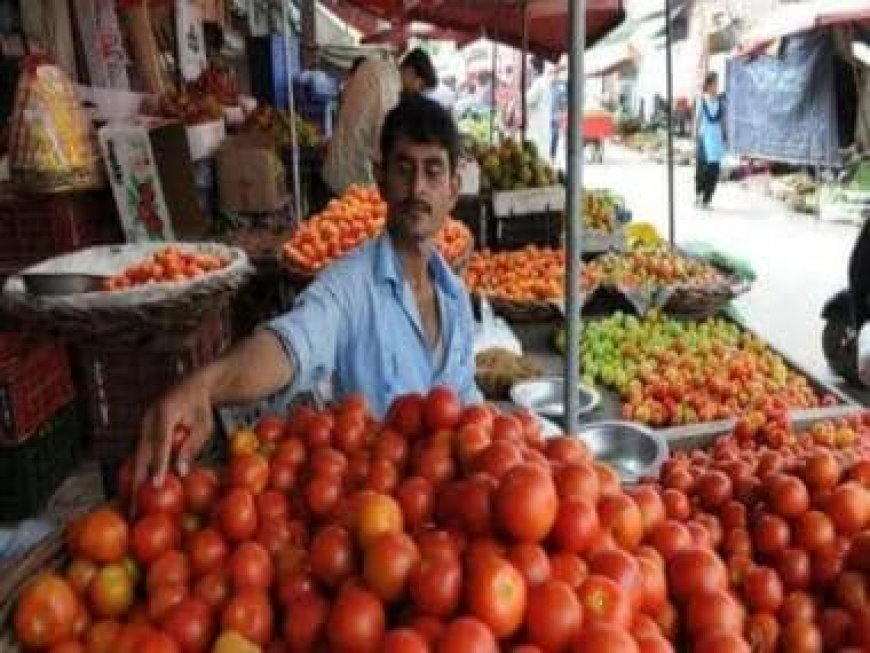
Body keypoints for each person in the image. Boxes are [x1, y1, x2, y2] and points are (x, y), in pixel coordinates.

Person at [134, 96, 481, 487]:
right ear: (381, 180)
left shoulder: (456, 299)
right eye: (404, 169)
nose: (417, 187)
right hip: (374, 509)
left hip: (450, 522)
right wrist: (206, 385)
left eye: (433, 171)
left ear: (453, 190)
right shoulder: (349, 285)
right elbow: (290, 344)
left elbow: (470, 411)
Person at [322, 56, 401, 196]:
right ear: (413, 73)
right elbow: (381, 141)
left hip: (337, 174)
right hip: (357, 184)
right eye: (421, 85)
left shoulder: (367, 72)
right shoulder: (384, 82)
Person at [694, 72, 727, 208]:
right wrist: (694, 136)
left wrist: (725, 136)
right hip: (704, 138)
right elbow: (697, 119)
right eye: (714, 83)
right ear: (707, 85)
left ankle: (707, 199)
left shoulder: (720, 101)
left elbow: (722, 121)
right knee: (702, 168)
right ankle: (699, 194)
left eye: (717, 83)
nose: (716, 86)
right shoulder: (701, 100)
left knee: (714, 169)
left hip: (716, 139)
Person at [525, 56, 552, 161]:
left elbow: (526, 100)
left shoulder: (538, 83)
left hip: (537, 125)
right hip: (542, 123)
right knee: (541, 153)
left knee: (537, 154)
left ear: (534, 69)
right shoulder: (544, 82)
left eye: (529, 69)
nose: (528, 72)